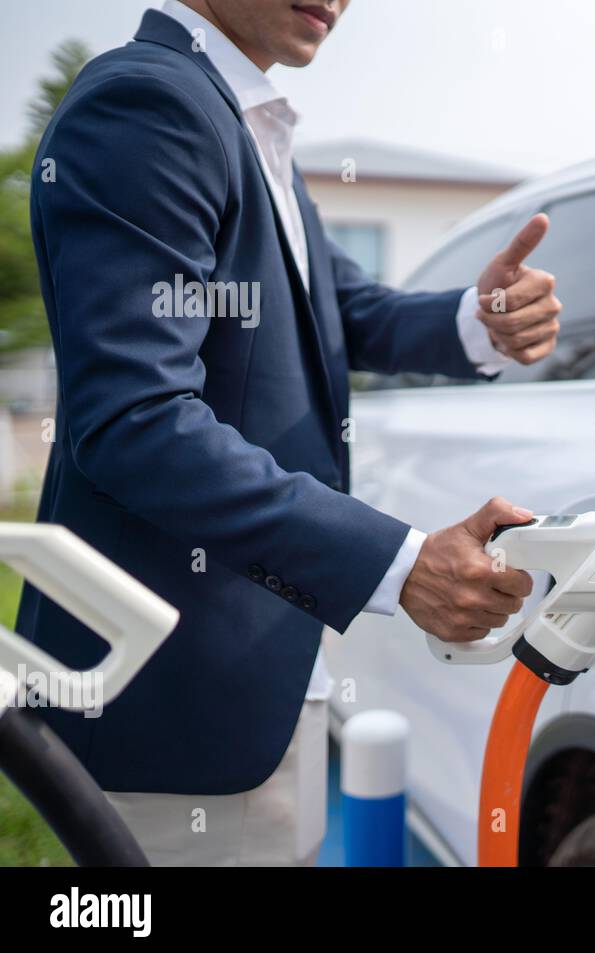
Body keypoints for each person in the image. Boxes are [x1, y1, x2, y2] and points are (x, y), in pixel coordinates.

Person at [17, 0, 561, 865]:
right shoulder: (149, 105)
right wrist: (402, 563)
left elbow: (339, 311)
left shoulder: (237, 113)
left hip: (266, 664)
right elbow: (137, 420)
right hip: (174, 694)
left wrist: (478, 320)